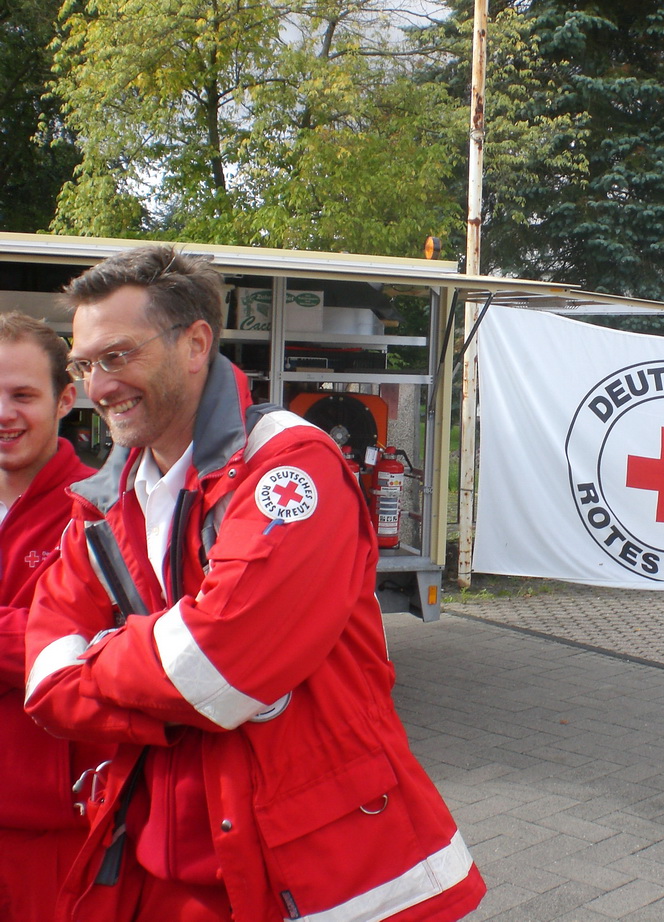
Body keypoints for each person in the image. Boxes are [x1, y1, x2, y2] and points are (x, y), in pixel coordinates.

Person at [24, 246, 485, 922]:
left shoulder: (289, 464)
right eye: (84, 365)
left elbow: (215, 670)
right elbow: (44, 681)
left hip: (324, 879)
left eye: (117, 356)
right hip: (163, 873)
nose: (99, 387)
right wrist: (166, 668)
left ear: (195, 344)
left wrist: (103, 655)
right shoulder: (103, 500)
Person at [0, 313, 105, 922]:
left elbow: (77, 646)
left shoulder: (98, 510)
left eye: (23, 395)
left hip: (51, 831)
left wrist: (34, 637)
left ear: (67, 400)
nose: (4, 414)